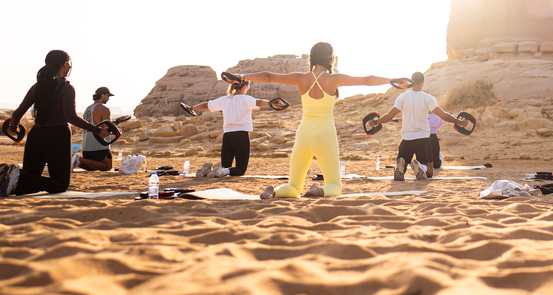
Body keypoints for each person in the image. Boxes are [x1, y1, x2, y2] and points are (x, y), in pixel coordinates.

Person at [244, 42, 404, 198]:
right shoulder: (333, 79)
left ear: (312, 58)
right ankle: (319, 191)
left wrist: (241, 76)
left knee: (293, 186)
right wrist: (392, 81)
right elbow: (367, 80)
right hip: (325, 135)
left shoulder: (300, 78)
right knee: (334, 185)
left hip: (303, 135)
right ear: (330, 58)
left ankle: (274, 191)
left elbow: (269, 77)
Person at [0, 50, 110, 196]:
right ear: (65, 64)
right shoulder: (66, 88)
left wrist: (13, 128)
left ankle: (1, 181)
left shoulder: (37, 87)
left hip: (36, 136)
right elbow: (71, 117)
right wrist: (98, 131)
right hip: (57, 135)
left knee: (28, 180)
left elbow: (17, 114)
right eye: (69, 64)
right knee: (60, 184)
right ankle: (13, 176)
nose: (69, 68)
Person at [365, 72, 470, 180]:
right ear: (423, 83)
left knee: (403, 165)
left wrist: (375, 123)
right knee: (430, 171)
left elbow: (389, 116)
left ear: (411, 82)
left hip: (406, 139)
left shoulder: (403, 97)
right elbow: (443, 115)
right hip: (422, 138)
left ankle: (400, 167)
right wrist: (460, 122)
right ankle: (421, 167)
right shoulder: (427, 98)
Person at [185, 77, 273, 178]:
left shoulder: (224, 100)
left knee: (225, 167)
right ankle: (218, 171)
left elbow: (207, 105)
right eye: (248, 86)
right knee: (240, 170)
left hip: (227, 136)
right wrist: (272, 102)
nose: (247, 88)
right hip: (241, 136)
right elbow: (259, 103)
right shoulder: (245, 99)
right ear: (244, 86)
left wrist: (191, 108)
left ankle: (206, 171)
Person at [73, 87, 117, 172]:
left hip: (86, 145)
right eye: (107, 96)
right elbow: (106, 127)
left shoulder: (88, 109)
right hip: (99, 144)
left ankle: (77, 160)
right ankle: (79, 159)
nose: (108, 98)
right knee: (107, 166)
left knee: (91, 166)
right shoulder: (104, 109)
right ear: (102, 95)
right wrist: (115, 125)